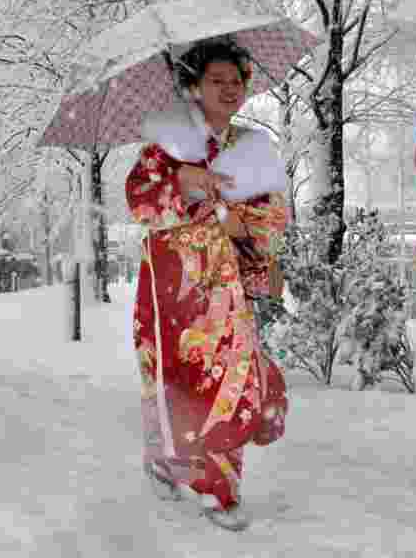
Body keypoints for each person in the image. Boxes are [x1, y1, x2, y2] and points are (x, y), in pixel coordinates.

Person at [125, 39, 289, 531]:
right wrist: (183, 185)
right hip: (172, 281)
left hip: (225, 285)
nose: (228, 89)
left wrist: (243, 222)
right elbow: (140, 203)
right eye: (215, 80)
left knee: (229, 377)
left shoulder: (253, 147)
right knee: (173, 375)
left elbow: (275, 214)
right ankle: (167, 458)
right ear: (192, 86)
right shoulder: (166, 146)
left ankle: (218, 484)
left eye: (236, 80)